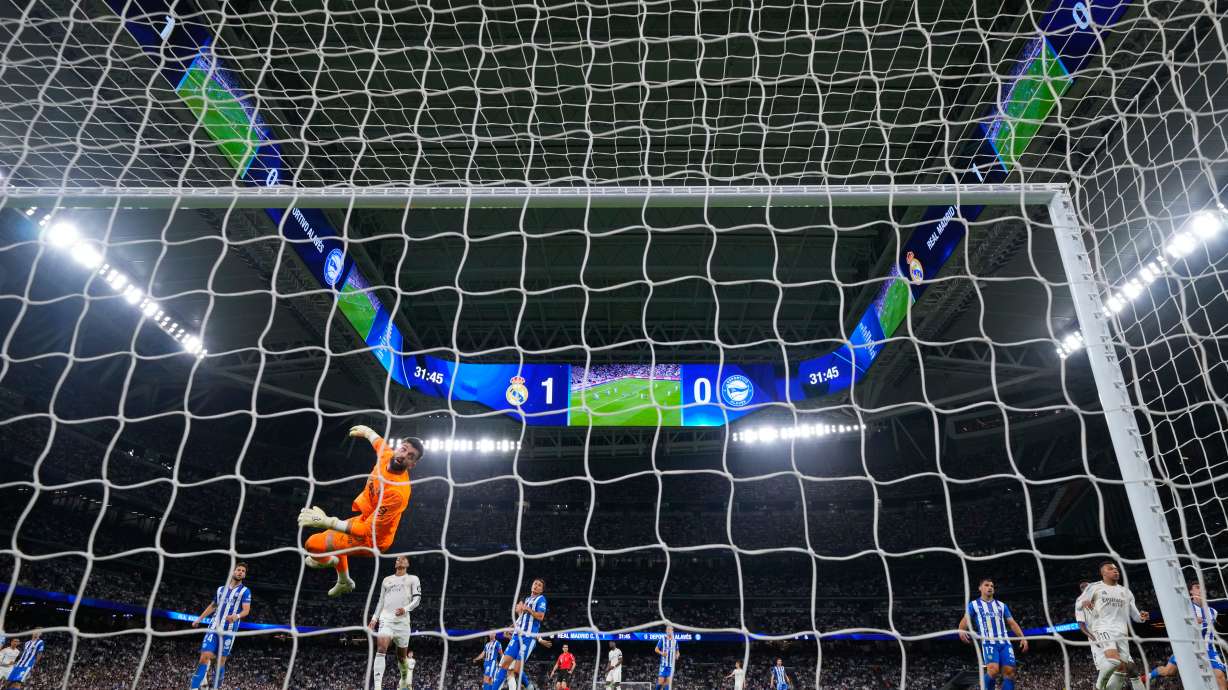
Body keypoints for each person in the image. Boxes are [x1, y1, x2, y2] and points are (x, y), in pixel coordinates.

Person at [299, 425, 424, 597]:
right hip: (365, 518)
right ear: (397, 448)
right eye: (403, 449)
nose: (404, 456)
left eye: (410, 456)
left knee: (313, 544)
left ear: (412, 464)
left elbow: (366, 531)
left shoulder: (397, 493)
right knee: (332, 543)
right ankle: (344, 581)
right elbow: (378, 443)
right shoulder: (387, 455)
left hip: (373, 539)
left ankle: (330, 561)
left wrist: (326, 521)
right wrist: (367, 432)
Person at [1077, 562, 1149, 690]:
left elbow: (1136, 616)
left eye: (1116, 569)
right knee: (1114, 661)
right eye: (1111, 569)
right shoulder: (1091, 592)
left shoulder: (1126, 592)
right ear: (1103, 573)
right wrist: (1093, 637)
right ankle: (1099, 686)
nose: (1115, 571)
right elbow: (1080, 620)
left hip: (1121, 632)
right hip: (1101, 632)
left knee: (1127, 669)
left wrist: (1142, 617)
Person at [1147, 581, 1228, 689]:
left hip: (1208, 649)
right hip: (1187, 648)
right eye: (1197, 587)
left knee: (1220, 676)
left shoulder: (1213, 612)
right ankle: (1146, 677)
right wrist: (1190, 622)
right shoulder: (1185, 608)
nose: (1201, 589)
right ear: (1191, 591)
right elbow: (1174, 624)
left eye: (1202, 588)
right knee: (1169, 671)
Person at [189, 563, 251, 690]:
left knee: (220, 663)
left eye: (243, 571)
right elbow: (213, 606)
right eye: (238, 570)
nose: (240, 572)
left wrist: (237, 616)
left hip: (229, 631)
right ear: (233, 572)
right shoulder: (220, 590)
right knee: (204, 657)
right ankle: (193, 688)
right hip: (213, 628)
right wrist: (199, 619)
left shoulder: (245, 591)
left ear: (244, 575)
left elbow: (246, 610)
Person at [958, 578, 1027, 690]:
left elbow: (1012, 623)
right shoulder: (974, 605)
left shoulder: (1001, 605)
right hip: (988, 642)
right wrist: (961, 630)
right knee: (993, 670)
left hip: (1005, 643)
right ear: (980, 588)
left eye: (992, 586)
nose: (990, 587)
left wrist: (1022, 638)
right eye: (986, 585)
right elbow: (966, 619)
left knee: (1010, 672)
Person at [369, 555, 422, 690]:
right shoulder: (387, 580)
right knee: (381, 649)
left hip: (403, 623)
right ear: (395, 564)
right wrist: (374, 618)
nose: (400, 560)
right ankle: (377, 687)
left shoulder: (413, 579)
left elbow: (417, 600)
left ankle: (404, 678)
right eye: (398, 559)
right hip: (386, 619)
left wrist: (405, 609)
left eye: (403, 559)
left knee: (402, 658)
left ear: (408, 564)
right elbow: (381, 601)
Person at [490, 578, 548, 690]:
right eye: (535, 583)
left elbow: (541, 617)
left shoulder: (541, 599)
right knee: (504, 665)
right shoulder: (527, 599)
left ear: (541, 590)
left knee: (516, 670)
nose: (536, 586)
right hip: (517, 636)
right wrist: (511, 627)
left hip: (528, 638)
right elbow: (521, 618)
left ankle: (529, 686)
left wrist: (528, 609)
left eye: (539, 585)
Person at [654, 625, 679, 690]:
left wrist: (677, 655)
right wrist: (662, 653)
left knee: (668, 682)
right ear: (666, 631)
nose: (669, 631)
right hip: (663, 664)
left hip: (671, 666)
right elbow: (656, 649)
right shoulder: (662, 639)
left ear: (672, 631)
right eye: (668, 629)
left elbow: (677, 651)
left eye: (670, 630)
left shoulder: (675, 641)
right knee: (661, 681)